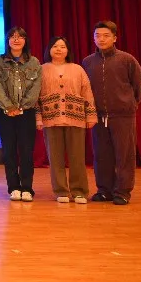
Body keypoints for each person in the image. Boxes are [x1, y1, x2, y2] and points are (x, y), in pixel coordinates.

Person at [82, 21, 141, 205]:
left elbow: (140, 85)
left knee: (124, 155)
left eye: (106, 35)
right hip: (98, 116)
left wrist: (129, 104)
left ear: (115, 38)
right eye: (97, 35)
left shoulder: (127, 59)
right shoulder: (87, 62)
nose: (101, 39)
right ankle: (104, 190)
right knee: (102, 155)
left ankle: (123, 191)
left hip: (123, 116)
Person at [37, 36, 97, 203]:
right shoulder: (41, 69)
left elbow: (87, 92)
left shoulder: (77, 69)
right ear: (49, 49)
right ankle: (61, 191)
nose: (59, 49)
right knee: (55, 157)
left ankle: (79, 191)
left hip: (76, 118)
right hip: (50, 119)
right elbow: (35, 97)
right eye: (55, 46)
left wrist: (91, 115)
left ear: (68, 50)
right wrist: (38, 118)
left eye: (63, 46)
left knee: (77, 157)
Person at [0, 27, 42, 202]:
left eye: (20, 37)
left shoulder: (34, 62)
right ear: (7, 41)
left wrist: (22, 107)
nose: (16, 39)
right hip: (5, 113)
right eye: (12, 37)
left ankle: (27, 188)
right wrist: (8, 106)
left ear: (25, 41)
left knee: (27, 151)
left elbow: (35, 89)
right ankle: (13, 187)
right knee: (9, 151)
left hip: (26, 113)